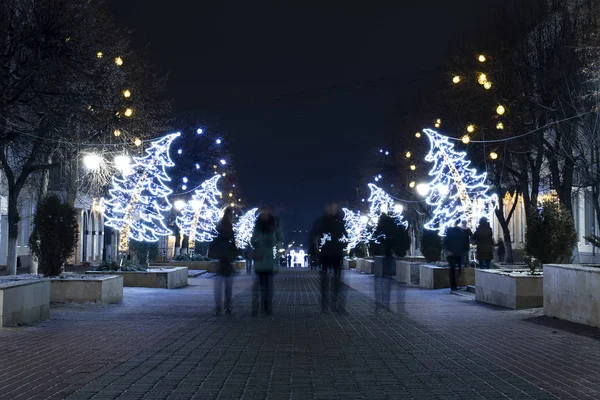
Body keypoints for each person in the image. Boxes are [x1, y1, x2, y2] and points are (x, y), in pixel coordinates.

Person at [313, 203, 348, 313]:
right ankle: (325, 305)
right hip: (325, 254)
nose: (331, 210)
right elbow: (315, 236)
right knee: (325, 281)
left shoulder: (340, 222)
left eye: (333, 208)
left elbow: (346, 236)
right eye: (329, 208)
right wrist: (317, 249)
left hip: (337, 254)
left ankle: (336, 304)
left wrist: (344, 245)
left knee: (337, 281)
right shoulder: (321, 222)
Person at [251, 208, 282, 316]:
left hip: (269, 261)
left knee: (268, 286)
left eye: (266, 213)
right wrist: (257, 245)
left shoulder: (274, 227)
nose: (264, 214)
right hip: (260, 261)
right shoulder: (258, 228)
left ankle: (267, 307)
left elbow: (279, 239)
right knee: (259, 285)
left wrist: (277, 250)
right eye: (263, 213)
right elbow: (252, 240)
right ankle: (257, 307)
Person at [210, 207, 238, 315]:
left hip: (219, 259)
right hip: (227, 260)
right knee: (228, 286)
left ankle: (218, 307)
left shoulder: (218, 226)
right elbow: (233, 246)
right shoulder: (230, 229)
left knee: (218, 286)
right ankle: (227, 306)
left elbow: (214, 241)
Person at [444, 221, 467, 291]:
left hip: (452, 253)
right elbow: (464, 243)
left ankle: (453, 285)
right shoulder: (461, 232)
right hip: (458, 253)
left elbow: (446, 242)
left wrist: (448, 250)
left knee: (452, 269)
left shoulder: (450, 231)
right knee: (457, 269)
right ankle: (454, 285)